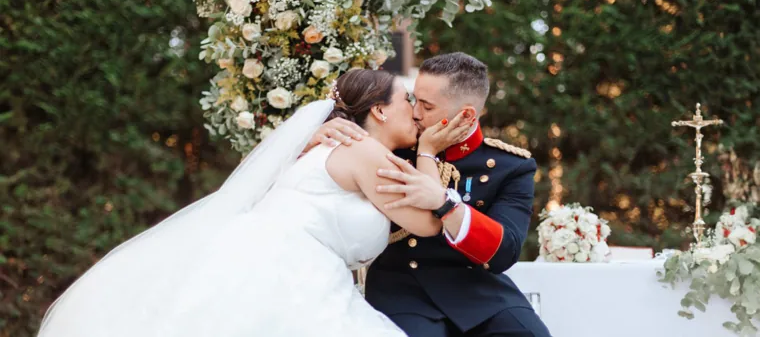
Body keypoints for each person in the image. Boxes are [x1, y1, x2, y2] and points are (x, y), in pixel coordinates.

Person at [36, 69, 469, 337]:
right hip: (289, 277)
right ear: (377, 111)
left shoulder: (321, 148)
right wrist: (429, 151)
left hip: (256, 263)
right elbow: (429, 222)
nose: (415, 111)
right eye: (407, 101)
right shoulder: (365, 151)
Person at [309, 53, 552, 337]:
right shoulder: (394, 144)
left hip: (476, 290)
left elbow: (504, 252)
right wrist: (315, 136)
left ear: (466, 115)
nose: (415, 113)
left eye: (426, 106)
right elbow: (325, 166)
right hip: (400, 288)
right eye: (413, 100)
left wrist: (445, 204)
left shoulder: (511, 166)